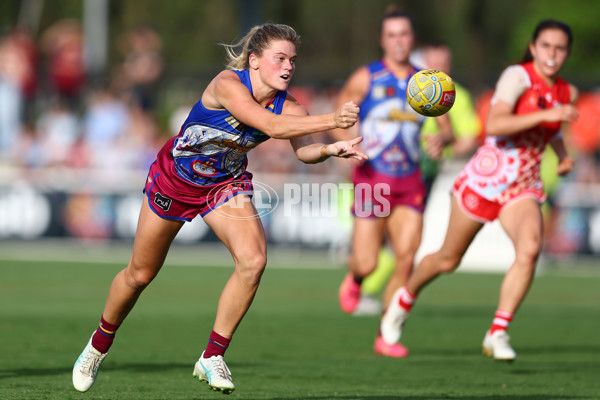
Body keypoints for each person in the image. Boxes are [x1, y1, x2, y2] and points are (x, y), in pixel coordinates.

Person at [72, 23, 366, 395]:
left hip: (223, 185)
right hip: (175, 180)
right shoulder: (228, 84)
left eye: (293, 60)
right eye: (280, 58)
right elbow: (270, 126)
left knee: (254, 260)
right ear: (255, 61)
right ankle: (98, 346)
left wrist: (327, 149)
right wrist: (332, 120)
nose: (288, 67)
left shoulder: (291, 105)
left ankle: (212, 356)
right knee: (140, 275)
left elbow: (302, 149)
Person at [379, 19, 579, 361]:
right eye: (546, 46)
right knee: (447, 259)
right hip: (488, 179)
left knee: (530, 250)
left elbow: (552, 128)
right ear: (533, 48)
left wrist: (561, 155)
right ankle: (403, 299)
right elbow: (496, 124)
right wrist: (553, 115)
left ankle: (497, 332)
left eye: (560, 48)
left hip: (524, 185)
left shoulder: (564, 91)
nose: (553, 54)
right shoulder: (517, 77)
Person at [334, 7, 453, 357]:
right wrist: (347, 138)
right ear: (382, 40)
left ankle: (387, 331)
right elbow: (339, 115)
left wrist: (441, 140)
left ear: (411, 39)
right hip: (373, 180)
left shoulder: (428, 82)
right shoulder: (366, 78)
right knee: (368, 262)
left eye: (404, 34)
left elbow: (447, 129)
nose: (399, 41)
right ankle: (356, 277)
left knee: (406, 258)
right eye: (392, 35)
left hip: (410, 180)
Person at [355, 42, 482, 310]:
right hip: (383, 168)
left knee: (404, 246)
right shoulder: (406, 85)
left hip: (422, 172)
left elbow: (469, 136)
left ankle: (378, 303)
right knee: (377, 243)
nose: (440, 69)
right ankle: (360, 275)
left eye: (445, 64)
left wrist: (446, 147)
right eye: (434, 63)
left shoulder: (457, 96)